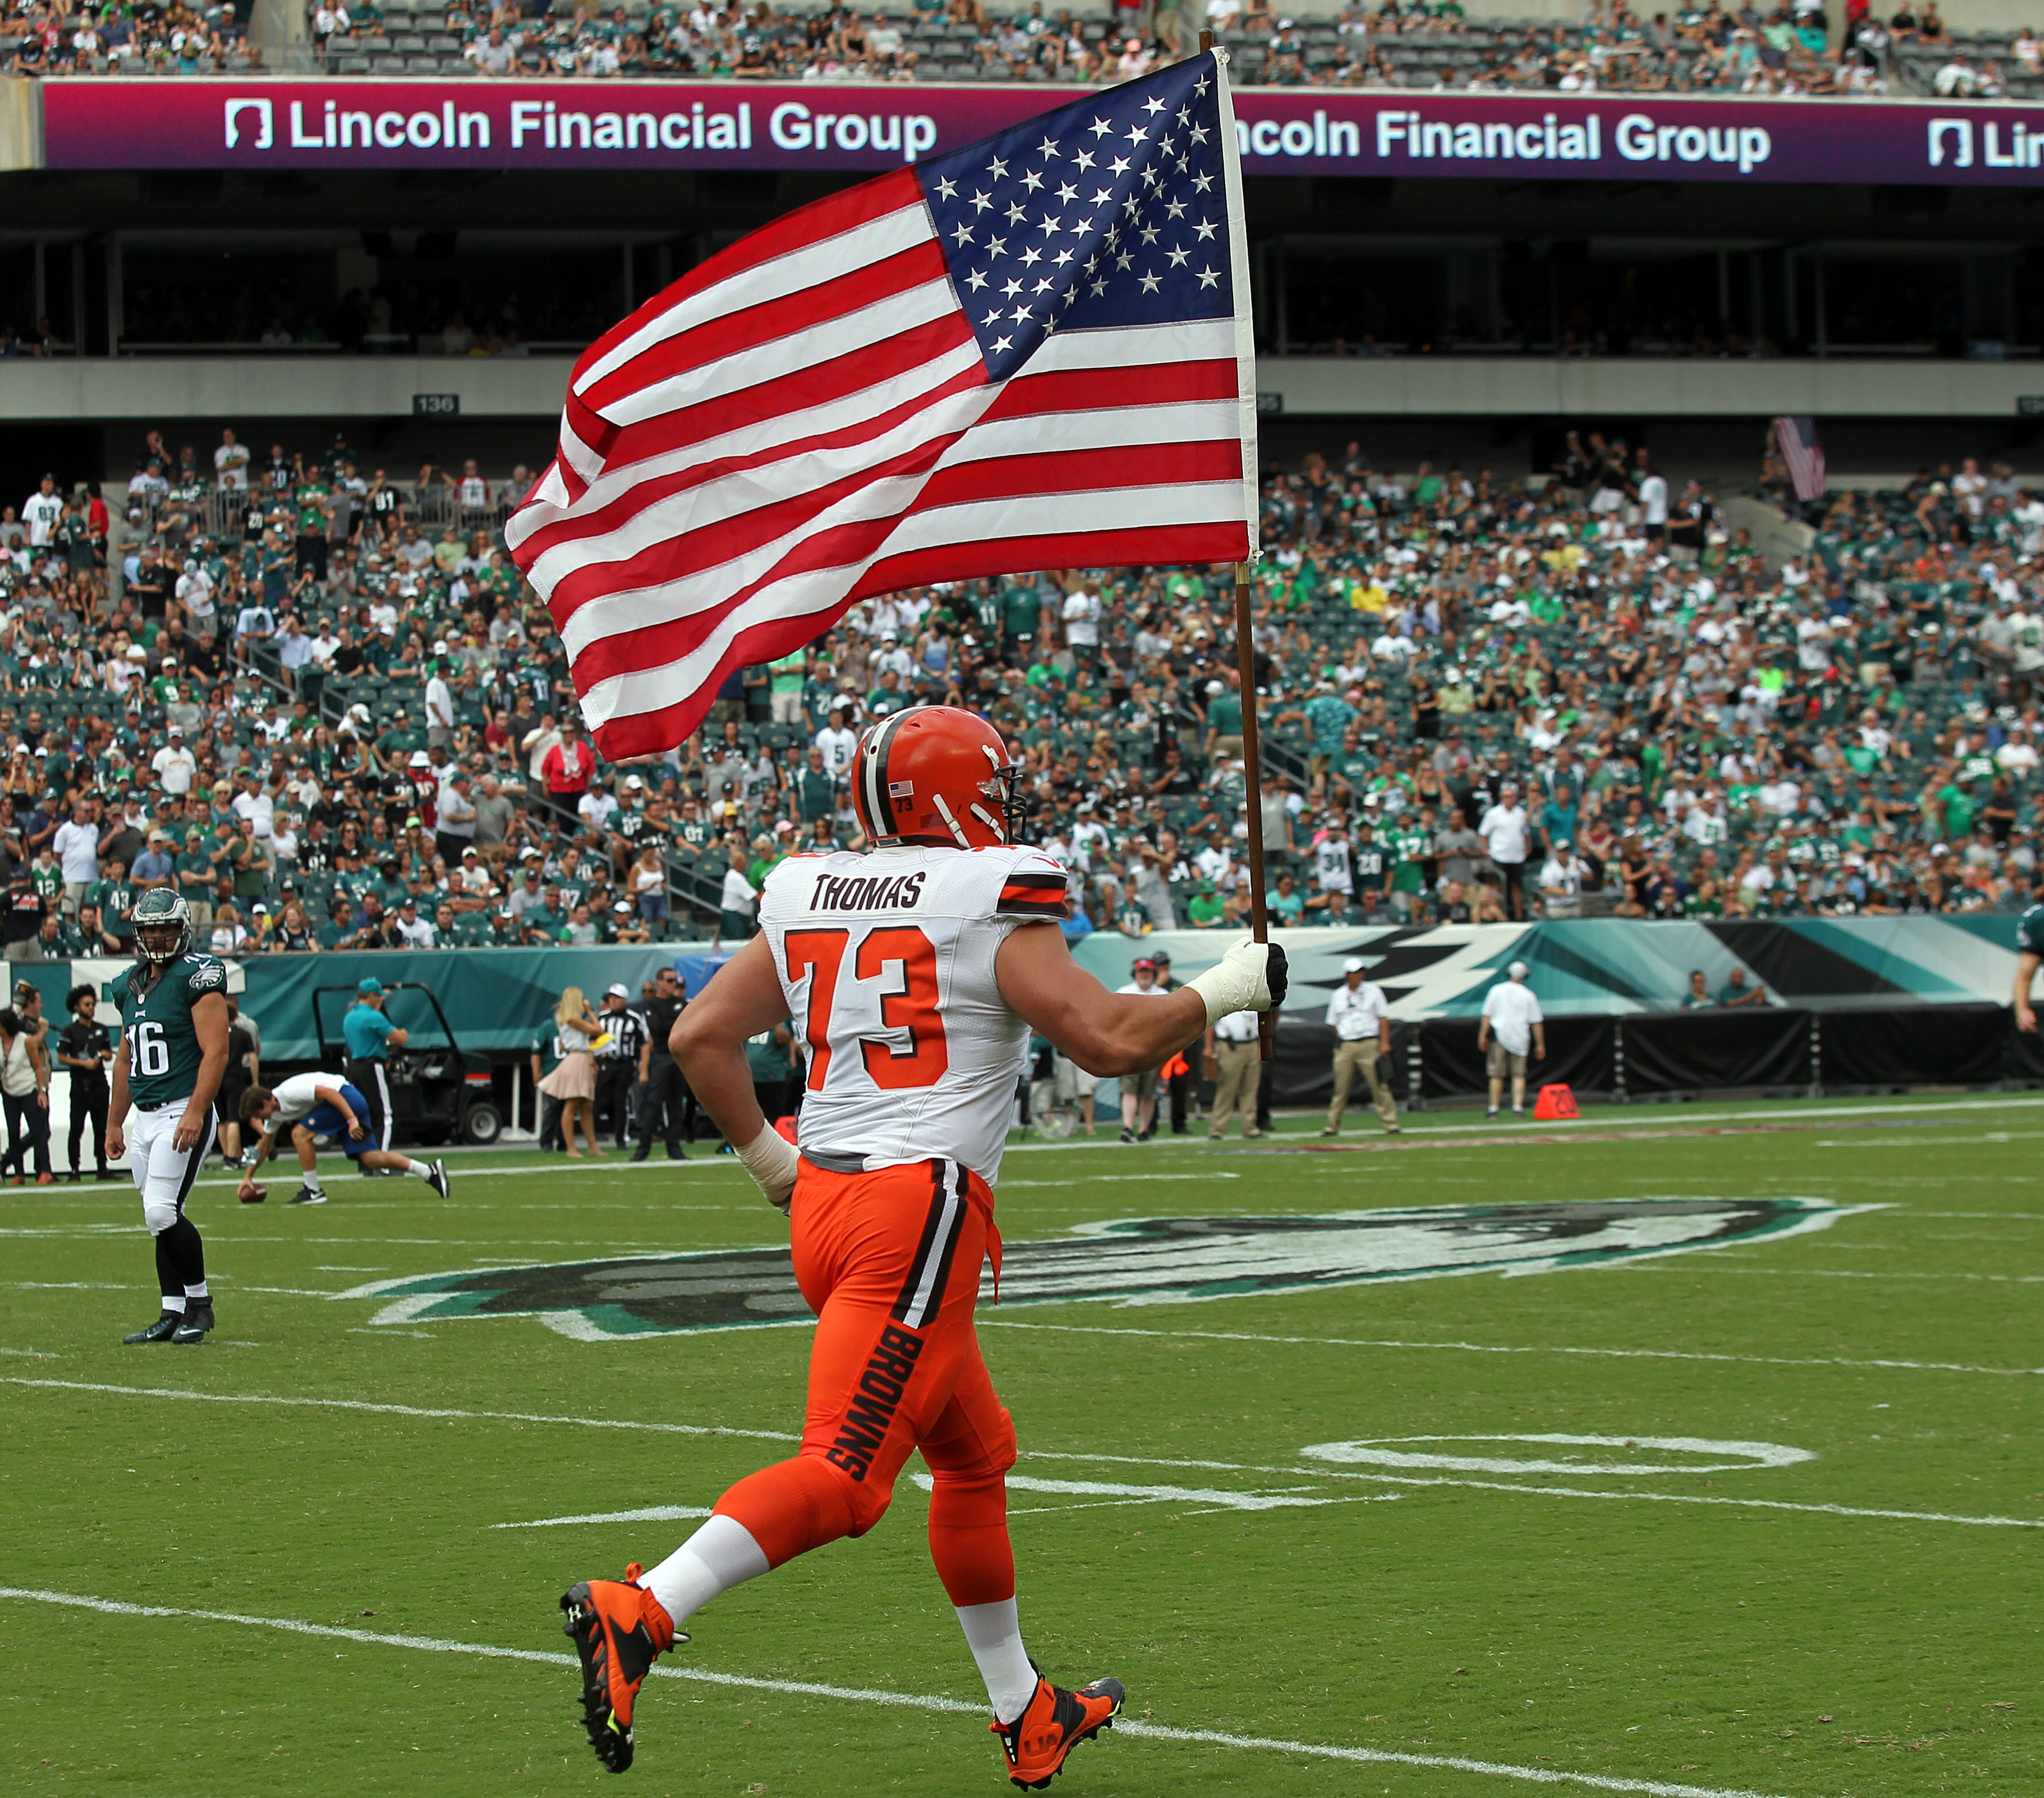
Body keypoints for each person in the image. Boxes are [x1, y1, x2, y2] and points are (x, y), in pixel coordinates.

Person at [556, 705, 1286, 1785]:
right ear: (962, 792)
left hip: (829, 1206)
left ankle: (1026, 1709)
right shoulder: (986, 894)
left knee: (975, 1459)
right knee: (847, 1482)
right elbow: (1107, 1038)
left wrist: (769, 1161)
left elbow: (700, 1035)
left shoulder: (810, 887)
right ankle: (646, 1604)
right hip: (919, 1213)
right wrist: (1231, 985)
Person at [109, 888, 229, 1345]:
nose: (158, 937)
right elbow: (125, 1060)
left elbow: (216, 1051)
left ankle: (199, 1305)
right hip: (145, 1116)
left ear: (183, 928)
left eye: (165, 928)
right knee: (158, 1214)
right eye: (150, 929)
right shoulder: (127, 984)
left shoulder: (197, 975)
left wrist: (196, 1112)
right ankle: (171, 1310)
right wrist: (113, 1122)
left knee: (161, 1211)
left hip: (182, 1107)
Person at [238, 1073, 449, 1206]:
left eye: (258, 1113)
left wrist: (351, 1120)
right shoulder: (274, 1114)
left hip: (346, 1098)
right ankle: (429, 1171)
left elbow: (332, 1094)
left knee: (299, 1134)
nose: (259, 1119)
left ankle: (313, 1191)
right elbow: (263, 1145)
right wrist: (247, 1177)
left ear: (267, 1101)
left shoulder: (290, 1092)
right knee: (371, 1159)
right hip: (346, 1104)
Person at [1321, 955, 1397, 1136]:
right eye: (1355, 973)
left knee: (1379, 1085)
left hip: (1369, 1043)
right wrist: (1343, 1036)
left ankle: (1391, 1124)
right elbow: (1332, 1023)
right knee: (1340, 1089)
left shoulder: (1373, 991)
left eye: (1361, 972)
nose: (1359, 976)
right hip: (1346, 1045)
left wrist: (1384, 1042)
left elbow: (1383, 1018)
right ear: (1348, 975)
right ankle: (1332, 1126)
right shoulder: (1339, 995)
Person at [538, 985, 605, 1157]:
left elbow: (563, 1043)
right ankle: (571, 1148)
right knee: (572, 1104)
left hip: (580, 1058)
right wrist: (590, 1012)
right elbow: (598, 1031)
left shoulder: (565, 1019)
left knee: (587, 1105)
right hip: (576, 1059)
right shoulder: (572, 1019)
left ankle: (593, 1147)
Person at [632, 965, 691, 1160]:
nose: (673, 984)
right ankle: (643, 1147)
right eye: (669, 981)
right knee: (654, 1103)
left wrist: (672, 1024)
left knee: (676, 1104)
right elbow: (656, 1029)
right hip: (661, 1056)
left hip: (678, 1056)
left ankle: (675, 1147)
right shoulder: (651, 1004)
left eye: (675, 981)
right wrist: (675, 1023)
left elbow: (687, 1026)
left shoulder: (681, 1002)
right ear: (660, 982)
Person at [342, 976, 406, 1153]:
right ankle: (382, 1160)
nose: (380, 1000)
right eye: (378, 996)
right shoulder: (373, 1017)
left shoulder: (350, 1017)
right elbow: (399, 1037)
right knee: (384, 1115)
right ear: (371, 996)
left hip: (354, 1066)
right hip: (372, 1066)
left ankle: (367, 1159)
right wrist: (403, 1032)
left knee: (365, 1112)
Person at [1113, 955, 1173, 1142]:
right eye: (1141, 972)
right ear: (1135, 974)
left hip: (1154, 1048)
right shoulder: (1123, 993)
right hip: (1130, 1048)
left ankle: (1144, 1129)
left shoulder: (1162, 994)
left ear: (1153, 974)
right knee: (1129, 1089)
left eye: (1147, 972)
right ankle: (1128, 1127)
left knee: (1149, 1092)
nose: (1144, 976)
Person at [55, 982, 112, 1180]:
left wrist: (105, 1055)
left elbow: (108, 1052)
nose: (91, 1008)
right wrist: (82, 1063)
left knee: (101, 1129)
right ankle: (74, 1170)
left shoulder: (101, 1029)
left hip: (99, 1085)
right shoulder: (70, 1031)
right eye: (86, 1004)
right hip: (80, 1086)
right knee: (77, 1128)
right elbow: (61, 1057)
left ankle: (102, 1168)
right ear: (77, 1007)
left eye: (92, 1004)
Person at [1478, 958, 1546, 1119]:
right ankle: (1518, 1108)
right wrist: (1540, 1044)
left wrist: (1482, 1036)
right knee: (1519, 1075)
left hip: (1499, 1037)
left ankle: (1494, 1108)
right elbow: (1536, 1022)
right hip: (1520, 1038)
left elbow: (1487, 1015)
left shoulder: (1496, 990)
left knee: (1496, 1075)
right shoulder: (1528, 995)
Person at [593, 982, 648, 1151]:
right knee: (599, 1101)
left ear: (624, 1000)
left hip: (625, 1064)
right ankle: (593, 1138)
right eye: (611, 998)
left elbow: (644, 1043)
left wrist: (643, 1069)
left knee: (620, 1102)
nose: (613, 1001)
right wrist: (592, 1064)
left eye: (617, 998)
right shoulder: (602, 1019)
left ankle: (621, 1139)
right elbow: (591, 1042)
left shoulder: (634, 1018)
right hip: (605, 1063)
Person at [0, 1002, 51, 1184]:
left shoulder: (26, 1041)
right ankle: (19, 1173)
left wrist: (42, 1090)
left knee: (38, 1131)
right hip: (9, 1091)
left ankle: (45, 1170)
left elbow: (38, 1067)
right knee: (13, 1133)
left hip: (29, 1089)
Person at [1204, 1001, 1262, 1139]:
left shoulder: (1255, 998)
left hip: (1252, 1044)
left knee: (1251, 1089)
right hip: (1230, 1046)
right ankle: (1218, 1129)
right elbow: (1210, 1022)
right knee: (1227, 1088)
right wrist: (1209, 1047)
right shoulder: (1224, 998)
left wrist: (1262, 1045)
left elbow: (1265, 1020)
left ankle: (1250, 1128)